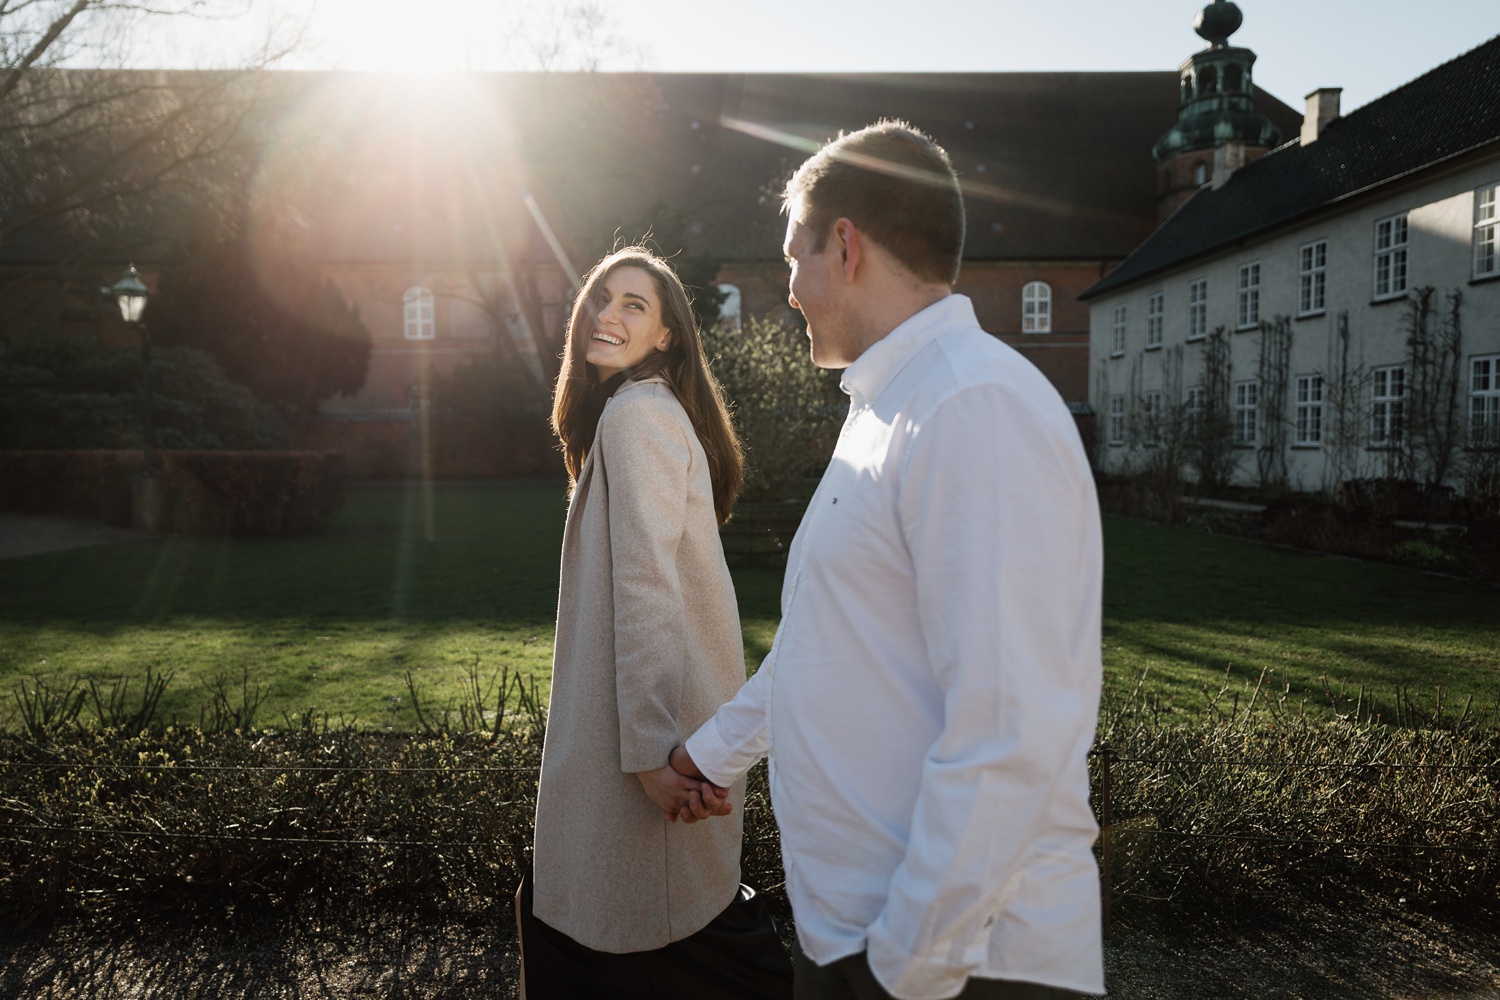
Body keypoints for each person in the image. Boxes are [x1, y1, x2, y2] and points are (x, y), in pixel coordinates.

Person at [669, 121, 1106, 999]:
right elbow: (830, 642)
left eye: (793, 257)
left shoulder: (972, 406)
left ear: (844, 244)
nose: (789, 289)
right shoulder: (885, 409)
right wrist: (707, 756)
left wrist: (904, 963)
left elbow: (1009, 728)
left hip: (955, 964)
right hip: (863, 940)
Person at [521, 248, 794, 997]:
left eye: (633, 305)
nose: (608, 315)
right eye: (602, 299)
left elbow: (646, 589)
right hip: (666, 728)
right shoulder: (650, 410)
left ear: (668, 336)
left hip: (644, 744)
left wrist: (648, 754)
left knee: (638, 943)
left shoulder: (636, 415)